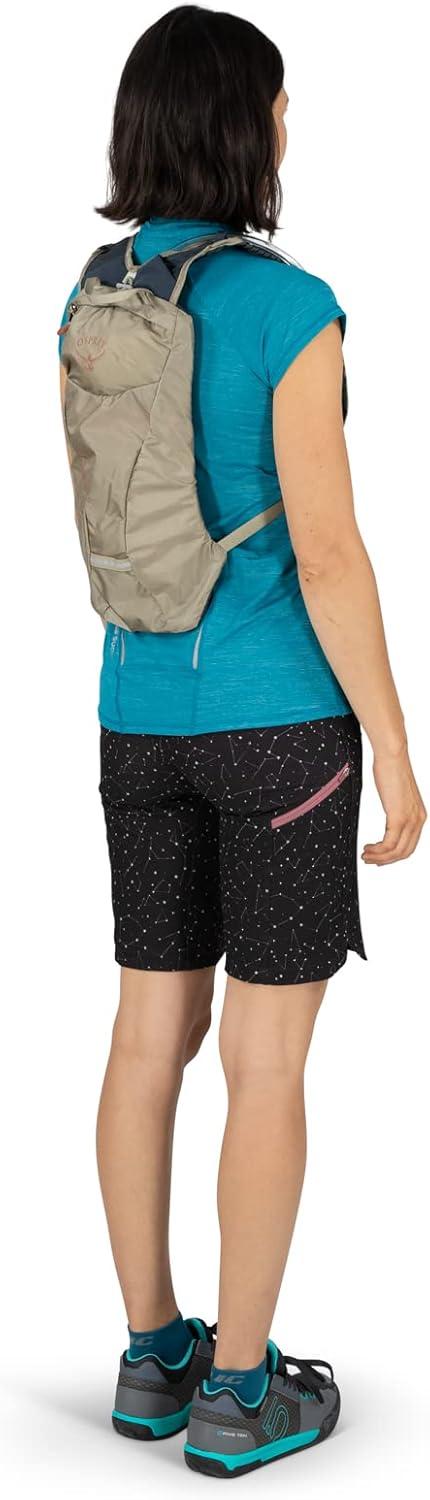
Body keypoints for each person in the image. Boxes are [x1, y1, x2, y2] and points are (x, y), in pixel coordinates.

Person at [58, 4, 426, 1480]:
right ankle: (239, 1391)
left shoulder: (91, 295)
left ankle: (150, 1357)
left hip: (133, 716)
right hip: (279, 733)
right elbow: (325, 554)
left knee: (148, 1031)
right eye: (277, 105)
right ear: (244, 126)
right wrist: (392, 747)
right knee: (265, 1063)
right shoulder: (289, 306)